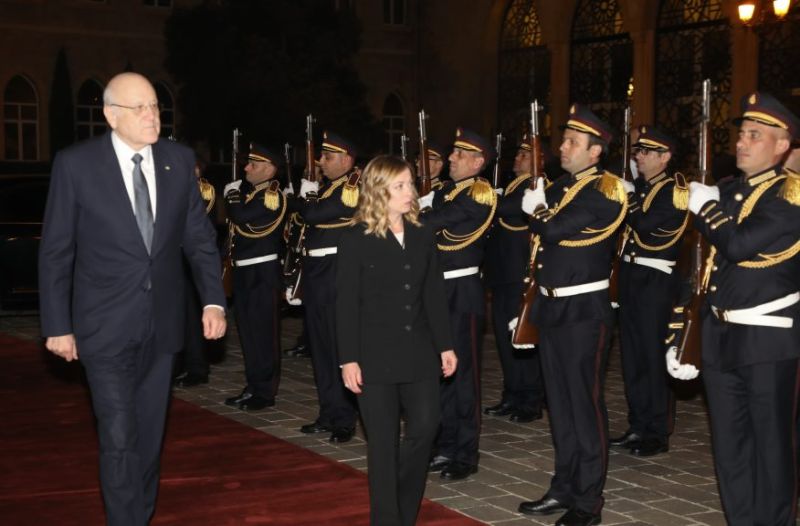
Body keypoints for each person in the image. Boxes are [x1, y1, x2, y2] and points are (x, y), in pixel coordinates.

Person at [38, 72, 227, 525]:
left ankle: (138, 516)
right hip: (102, 328)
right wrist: (57, 325)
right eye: (138, 107)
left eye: (155, 106)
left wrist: (213, 300)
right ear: (111, 115)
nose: (151, 115)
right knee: (119, 436)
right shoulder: (76, 164)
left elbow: (199, 239)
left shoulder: (178, 160)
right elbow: (57, 250)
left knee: (147, 436)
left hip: (161, 325)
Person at [669, 92, 800, 525]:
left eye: (756, 135)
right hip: (720, 336)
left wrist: (707, 207)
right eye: (742, 133)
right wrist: (681, 333)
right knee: (729, 447)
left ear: (783, 145)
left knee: (771, 448)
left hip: (767, 338)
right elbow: (701, 268)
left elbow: (740, 246)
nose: (743, 142)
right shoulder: (727, 190)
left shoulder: (791, 193)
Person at [517, 104, 626, 526]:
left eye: (572, 142)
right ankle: (563, 486)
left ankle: (588, 500)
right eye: (563, 140)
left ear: (595, 151)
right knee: (559, 404)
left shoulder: (605, 189)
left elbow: (555, 229)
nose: (562, 147)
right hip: (552, 306)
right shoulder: (562, 186)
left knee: (584, 404)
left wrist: (537, 210)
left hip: (584, 311)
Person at [336, 155, 457, 526]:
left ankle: (403, 513)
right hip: (373, 356)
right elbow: (345, 303)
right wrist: (348, 358)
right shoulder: (355, 238)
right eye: (400, 186)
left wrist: (445, 345)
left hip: (419, 351)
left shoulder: (422, 234)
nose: (410, 192)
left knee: (425, 428)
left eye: (411, 184)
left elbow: (433, 294)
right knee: (383, 444)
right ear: (378, 190)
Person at [420, 127, 497, 481]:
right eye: (453, 152)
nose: (451, 158)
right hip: (436, 289)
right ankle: (444, 444)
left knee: (463, 376)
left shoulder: (478, 193)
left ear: (478, 163)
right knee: (439, 373)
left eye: (460, 154)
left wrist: (414, 211)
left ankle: (465, 452)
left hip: (461, 290)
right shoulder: (445, 192)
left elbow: (437, 222)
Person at [611, 126, 689, 456]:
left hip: (655, 280)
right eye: (638, 151)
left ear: (665, 157)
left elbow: (643, 226)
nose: (638, 157)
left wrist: (628, 196)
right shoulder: (644, 189)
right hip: (632, 276)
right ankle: (638, 424)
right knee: (632, 357)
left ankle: (656, 432)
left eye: (645, 152)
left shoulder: (674, 190)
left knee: (652, 357)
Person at [294, 131, 361, 443]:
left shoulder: (351, 187)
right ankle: (329, 411)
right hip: (317, 273)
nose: (321, 162)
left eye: (328, 157)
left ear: (346, 160)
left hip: (336, 272)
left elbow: (312, 214)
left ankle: (345, 418)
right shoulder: (328, 188)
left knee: (339, 348)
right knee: (320, 349)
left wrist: (307, 191)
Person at [483, 133, 545, 423]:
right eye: (518, 154)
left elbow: (509, 208)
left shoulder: (537, 185)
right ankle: (512, 394)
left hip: (519, 274)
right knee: (505, 341)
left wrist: (487, 198)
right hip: (502, 274)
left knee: (522, 339)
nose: (518, 158)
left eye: (525, 154)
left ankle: (530, 400)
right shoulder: (513, 185)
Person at [223, 142, 287, 411]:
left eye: (253, 164)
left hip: (262, 272)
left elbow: (241, 216)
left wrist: (232, 196)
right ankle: (253, 385)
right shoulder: (251, 194)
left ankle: (265, 391)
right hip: (244, 271)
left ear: (270, 170)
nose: (247, 168)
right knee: (248, 333)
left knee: (263, 335)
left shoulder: (272, 196)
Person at [174, 157, 217, 387]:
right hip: (174, 259)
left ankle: (197, 367)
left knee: (193, 316)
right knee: (177, 315)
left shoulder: (204, 189)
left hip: (193, 259)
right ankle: (178, 363)